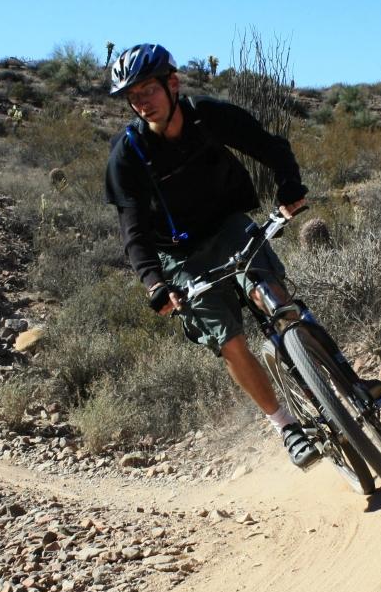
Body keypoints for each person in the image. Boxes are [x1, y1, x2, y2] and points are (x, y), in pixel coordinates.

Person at [103, 43, 322, 467]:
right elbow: (132, 232)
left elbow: (270, 147)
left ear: (172, 83)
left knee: (272, 296)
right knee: (229, 339)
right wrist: (154, 284)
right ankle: (286, 426)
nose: (141, 103)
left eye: (148, 89)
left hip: (228, 225)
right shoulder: (128, 155)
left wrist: (289, 187)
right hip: (178, 255)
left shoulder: (209, 116)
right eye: (133, 96)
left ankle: (331, 380)